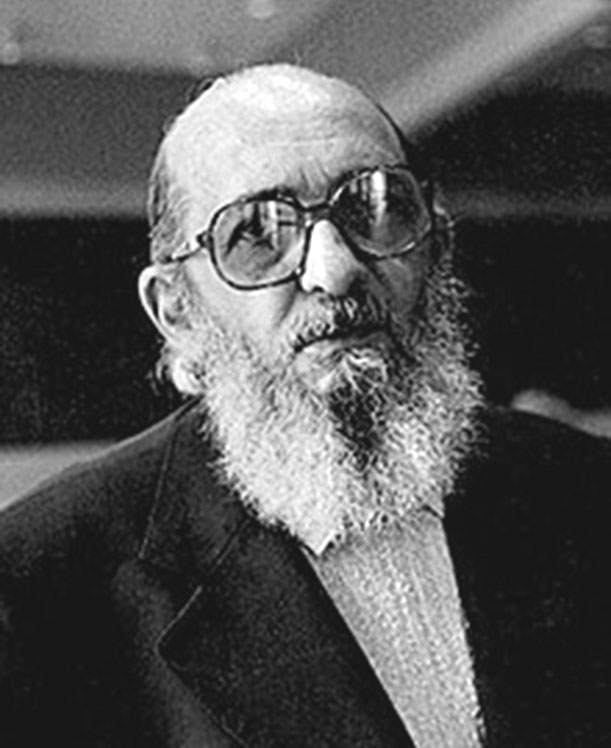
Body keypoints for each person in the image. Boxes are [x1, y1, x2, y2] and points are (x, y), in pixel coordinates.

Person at [0, 64, 610, 748]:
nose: (334, 270)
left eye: (375, 207)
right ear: (176, 309)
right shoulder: (39, 586)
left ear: (436, 244)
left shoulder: (587, 487)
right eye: (257, 234)